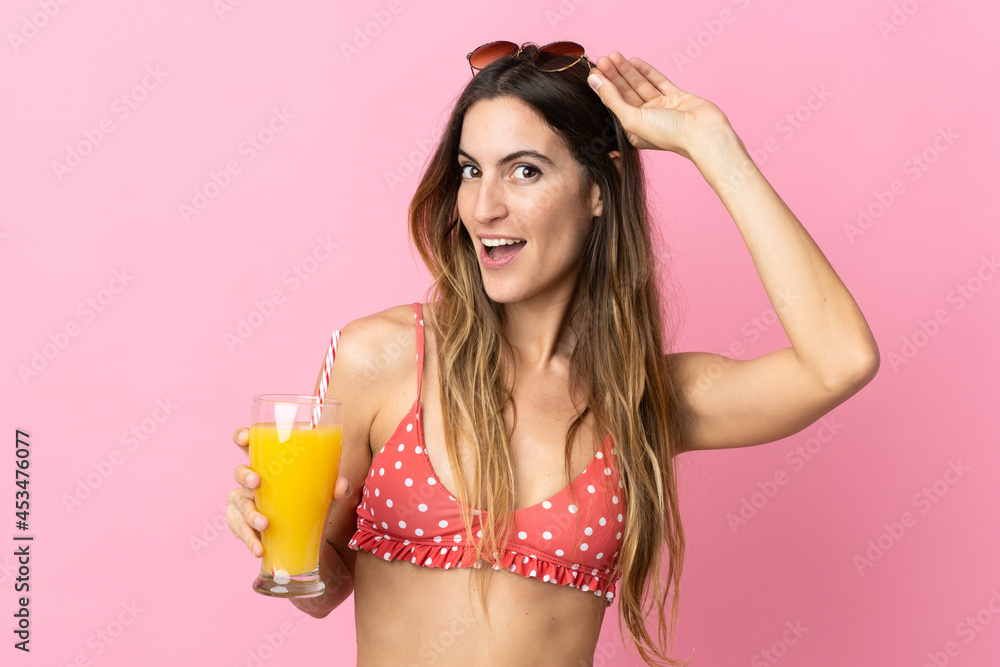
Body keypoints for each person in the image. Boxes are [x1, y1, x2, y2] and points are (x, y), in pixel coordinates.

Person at [226, 41, 879, 666]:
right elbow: (323, 589)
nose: (485, 206)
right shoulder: (383, 357)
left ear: (600, 189)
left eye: (525, 170)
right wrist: (288, 543)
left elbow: (839, 361)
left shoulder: (641, 399)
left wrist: (711, 143)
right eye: (470, 169)